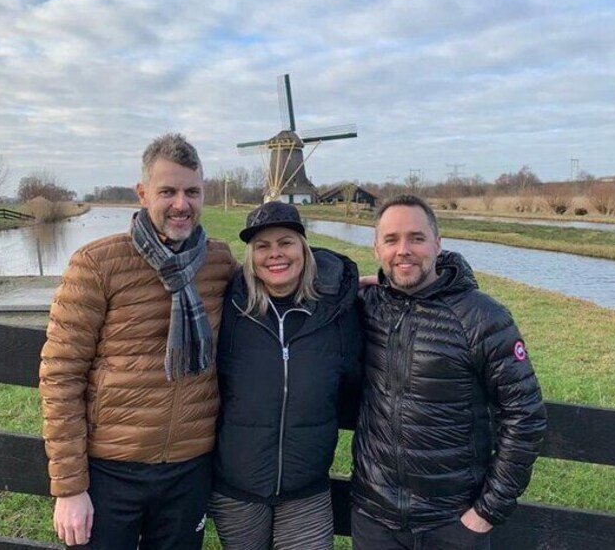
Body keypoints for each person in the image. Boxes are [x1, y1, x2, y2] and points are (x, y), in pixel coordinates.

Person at [39, 133, 236, 549]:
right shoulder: (97, 264)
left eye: (191, 192)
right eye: (168, 191)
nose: (181, 204)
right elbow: (61, 376)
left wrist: (350, 284)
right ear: (143, 193)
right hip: (112, 469)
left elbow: (278, 286)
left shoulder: (219, 263)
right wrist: (70, 487)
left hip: (189, 467)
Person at [351, 194, 547, 549]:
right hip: (374, 519)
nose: (403, 250)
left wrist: (486, 512)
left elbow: (525, 416)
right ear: (377, 248)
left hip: (451, 525)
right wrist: (355, 281)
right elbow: (308, 275)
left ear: (438, 244)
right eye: (391, 240)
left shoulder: (482, 317)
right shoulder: (369, 304)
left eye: (417, 238)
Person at [210, 201, 363, 550]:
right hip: (238, 489)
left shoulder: (338, 310)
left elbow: (355, 381)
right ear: (251, 256)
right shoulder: (229, 307)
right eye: (262, 246)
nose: (275, 254)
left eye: (286, 242)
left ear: (303, 248)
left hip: (306, 490)